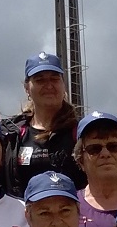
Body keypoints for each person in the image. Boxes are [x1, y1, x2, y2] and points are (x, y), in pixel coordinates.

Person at [7, 53, 85, 194]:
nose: (49, 86)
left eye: (54, 79)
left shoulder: (80, 132)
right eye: (40, 80)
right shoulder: (13, 134)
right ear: (27, 88)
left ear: (63, 84)